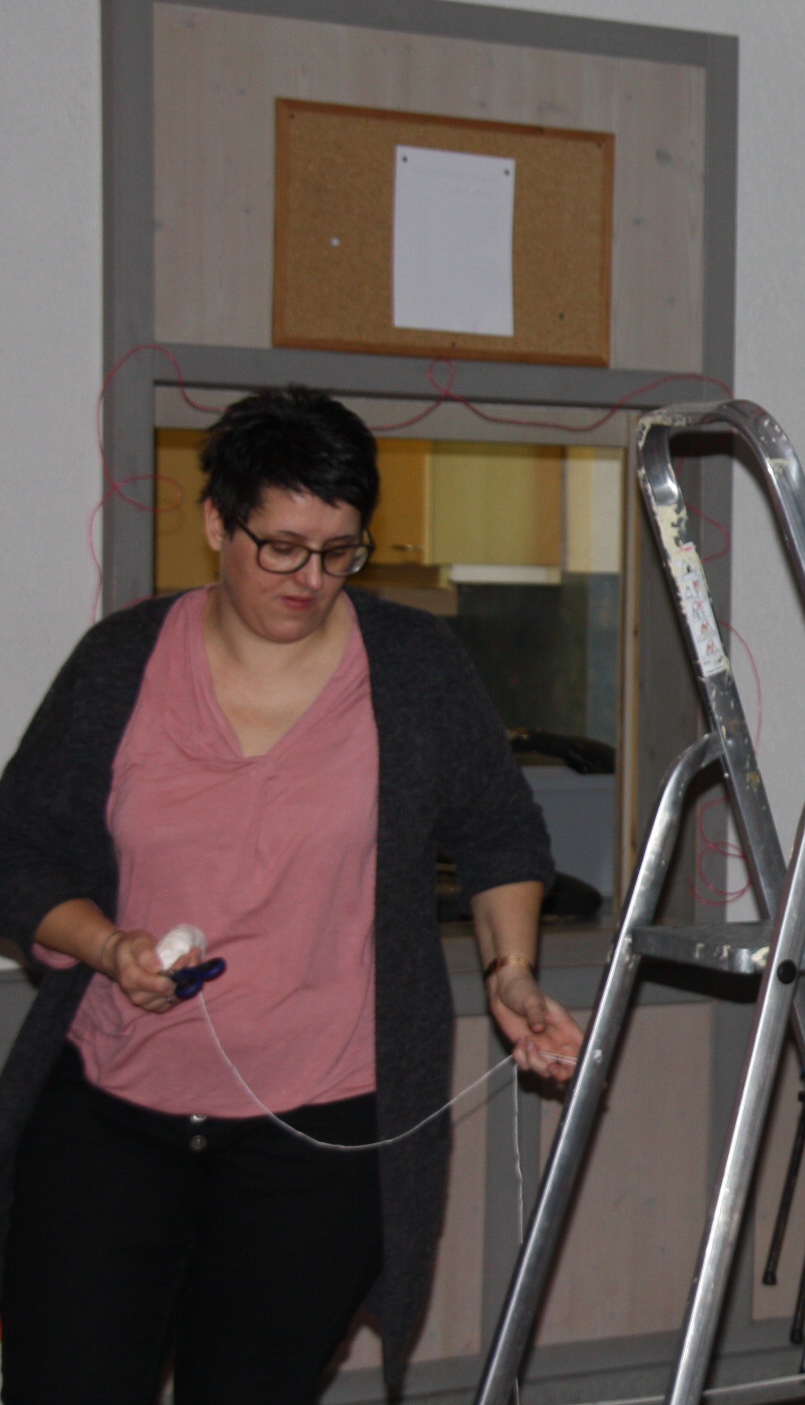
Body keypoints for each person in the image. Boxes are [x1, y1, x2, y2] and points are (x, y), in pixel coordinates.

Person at [0, 388, 585, 1403]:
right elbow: (19, 854)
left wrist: (512, 971)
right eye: (281, 548)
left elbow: (500, 835)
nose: (310, 579)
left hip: (319, 1141)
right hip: (112, 1123)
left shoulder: (414, 669)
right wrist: (106, 947)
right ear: (216, 523)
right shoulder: (123, 663)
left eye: (339, 551)